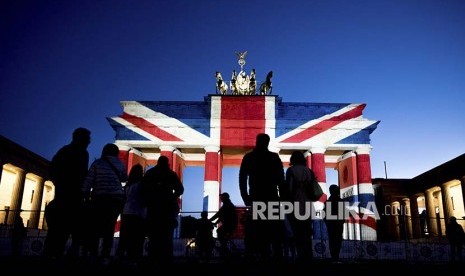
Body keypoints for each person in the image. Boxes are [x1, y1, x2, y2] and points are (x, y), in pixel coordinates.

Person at [44, 127, 91, 259]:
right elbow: (82, 175)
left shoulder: (67, 151)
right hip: (69, 200)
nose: (89, 142)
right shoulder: (80, 153)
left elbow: (52, 169)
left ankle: (54, 258)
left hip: (67, 198)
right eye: (87, 139)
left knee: (58, 235)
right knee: (62, 234)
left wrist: (59, 183)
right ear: (80, 139)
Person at [239, 133, 285, 261]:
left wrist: (245, 196)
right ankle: (273, 256)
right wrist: (282, 198)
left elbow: (242, 178)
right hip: (271, 196)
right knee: (272, 228)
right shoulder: (274, 157)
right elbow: (281, 180)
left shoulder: (249, 157)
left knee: (257, 228)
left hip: (256, 196)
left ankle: (258, 256)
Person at [82, 143, 128, 265]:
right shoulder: (120, 164)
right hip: (115, 200)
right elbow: (124, 178)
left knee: (95, 228)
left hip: (100, 198)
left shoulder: (97, 163)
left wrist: (85, 194)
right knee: (109, 228)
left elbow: (89, 180)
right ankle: (105, 256)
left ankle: (93, 254)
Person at [142, 155, 184, 264]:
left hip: (153, 208)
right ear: (167, 163)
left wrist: (149, 200)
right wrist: (172, 197)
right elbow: (180, 189)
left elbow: (143, 189)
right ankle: (166, 260)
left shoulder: (150, 173)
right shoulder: (171, 174)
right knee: (166, 236)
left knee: (153, 236)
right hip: (167, 210)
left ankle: (153, 259)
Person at [284, 150, 315, 262]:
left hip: (295, 204)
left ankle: (300, 257)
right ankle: (308, 257)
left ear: (293, 159)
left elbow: (289, 190)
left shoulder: (290, 171)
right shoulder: (309, 171)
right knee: (306, 234)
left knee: (297, 233)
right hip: (308, 205)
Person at [116, 164, 147, 266]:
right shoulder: (141, 184)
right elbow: (143, 199)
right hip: (138, 214)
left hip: (126, 213)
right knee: (137, 238)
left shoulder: (127, 186)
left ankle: (121, 257)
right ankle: (134, 259)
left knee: (125, 237)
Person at [209, 192, 238, 260]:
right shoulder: (228, 204)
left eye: (222, 197)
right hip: (231, 224)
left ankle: (223, 246)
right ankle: (224, 247)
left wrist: (209, 220)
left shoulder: (227, 205)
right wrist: (215, 222)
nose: (221, 199)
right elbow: (221, 216)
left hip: (230, 224)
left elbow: (219, 214)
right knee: (221, 233)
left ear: (225, 198)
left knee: (219, 231)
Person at [324, 185, 345, 262]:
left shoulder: (327, 202)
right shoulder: (341, 202)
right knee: (338, 240)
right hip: (338, 224)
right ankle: (336, 256)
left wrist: (327, 222)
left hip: (331, 225)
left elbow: (324, 215)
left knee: (332, 240)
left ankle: (334, 256)